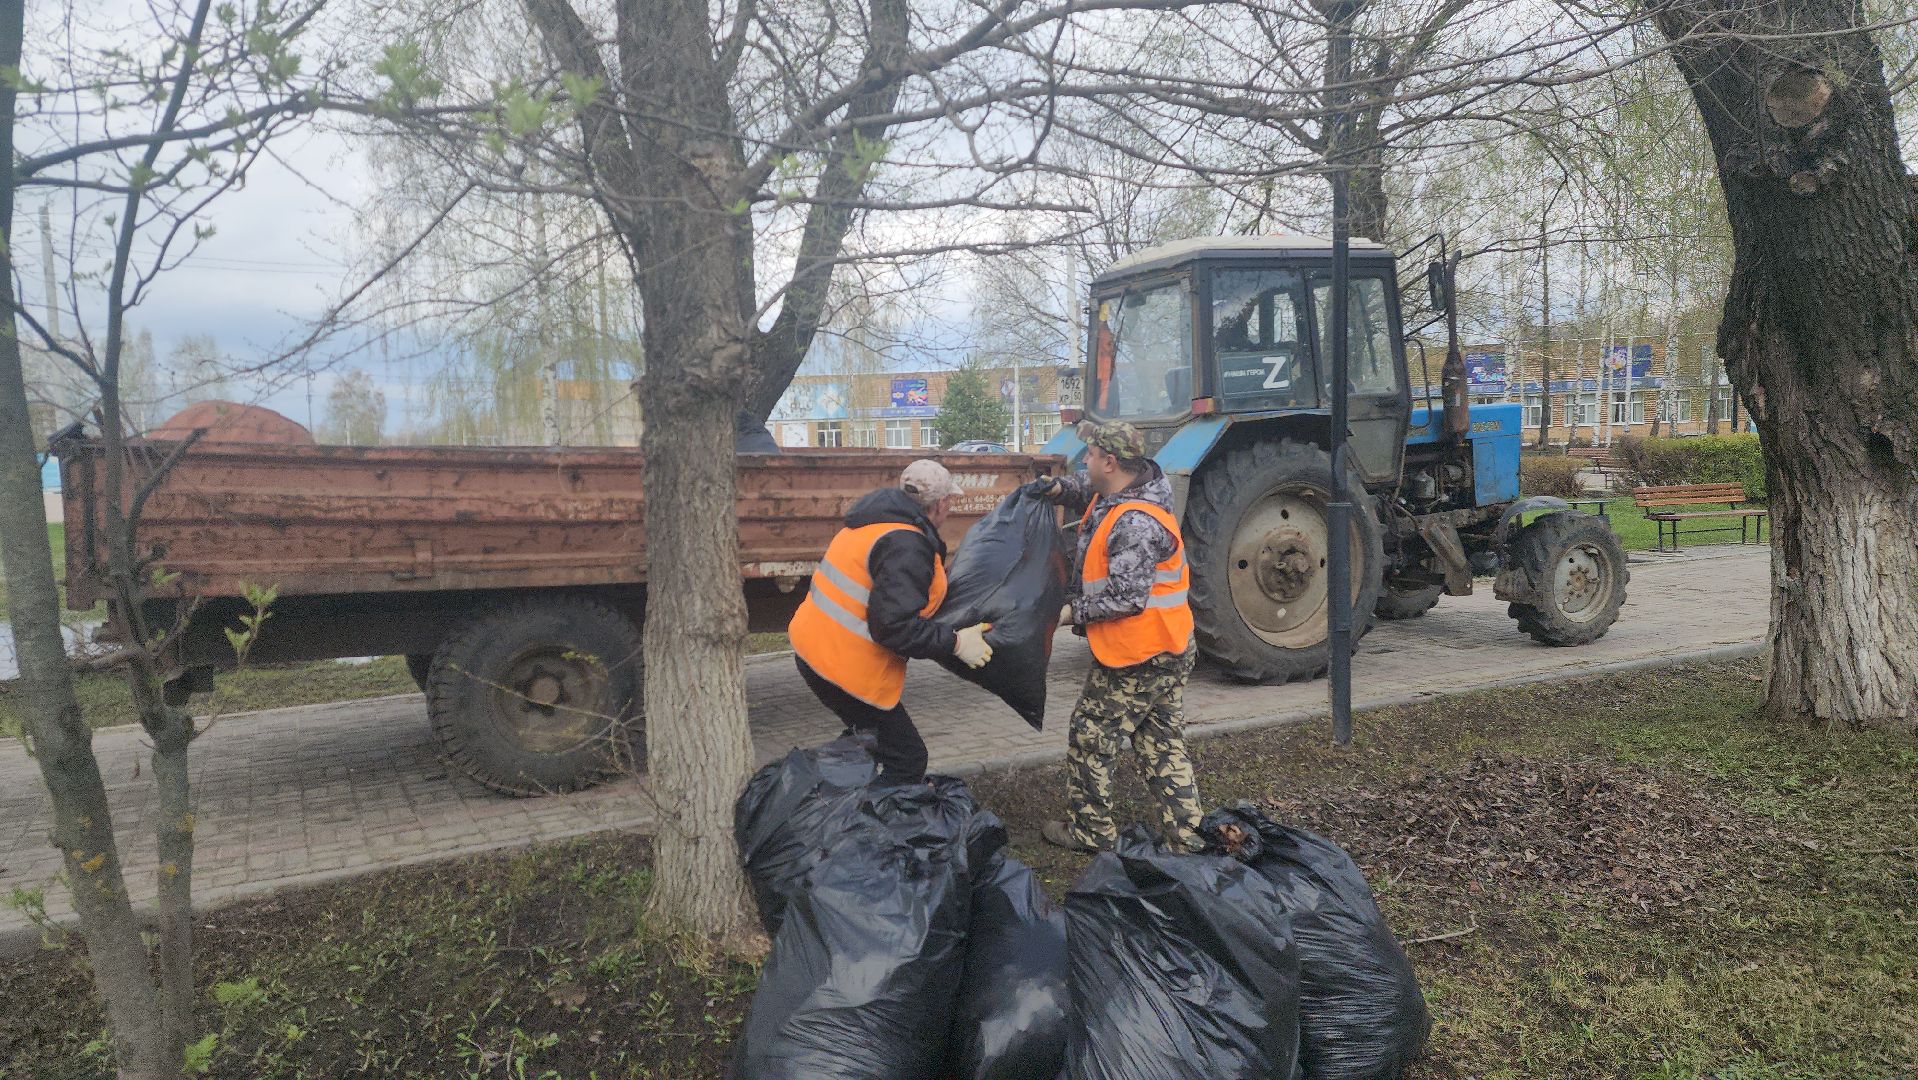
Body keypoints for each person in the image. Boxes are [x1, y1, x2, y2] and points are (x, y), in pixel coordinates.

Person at [1025, 420, 1203, 852]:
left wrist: (1067, 613)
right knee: (1161, 743)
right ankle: (1188, 834)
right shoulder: (1126, 490)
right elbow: (1086, 488)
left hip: (1139, 653)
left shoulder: (1136, 525)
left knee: (1090, 738)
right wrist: (1056, 490)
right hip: (1170, 644)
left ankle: (1091, 832)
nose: (1083, 461)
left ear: (1110, 461)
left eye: (1089, 455)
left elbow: (1126, 597)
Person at [789, 459, 993, 784]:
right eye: (950, 501)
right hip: (843, 669)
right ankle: (872, 826)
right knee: (907, 757)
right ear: (940, 504)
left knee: (867, 739)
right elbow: (893, 627)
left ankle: (827, 800)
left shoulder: (872, 523)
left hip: (815, 652)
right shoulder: (906, 545)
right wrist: (955, 643)